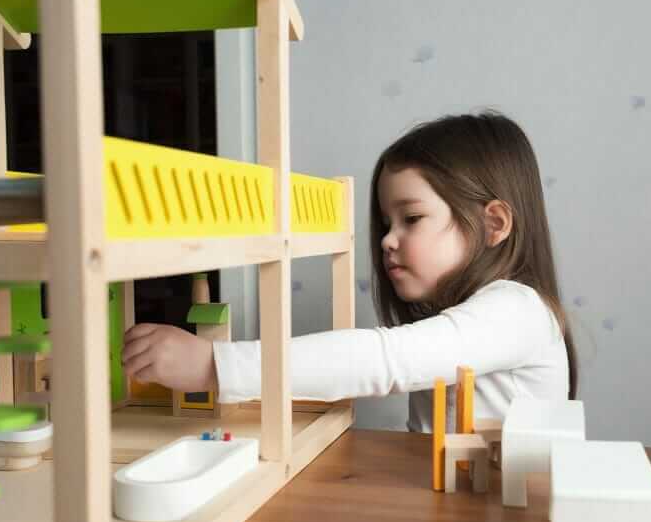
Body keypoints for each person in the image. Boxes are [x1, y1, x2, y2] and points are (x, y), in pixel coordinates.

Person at [122, 111, 578, 432]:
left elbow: (383, 360)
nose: (387, 240)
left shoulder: (519, 311)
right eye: (386, 223)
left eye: (411, 218)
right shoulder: (477, 316)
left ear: (493, 223)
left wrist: (214, 366)